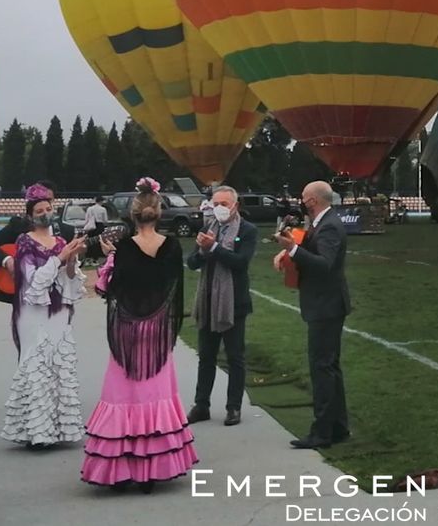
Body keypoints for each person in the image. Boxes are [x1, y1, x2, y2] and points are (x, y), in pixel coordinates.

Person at [82, 179, 198, 491]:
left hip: (128, 330)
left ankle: (120, 467)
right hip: (157, 329)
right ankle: (153, 466)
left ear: (132, 215)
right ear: (159, 213)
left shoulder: (123, 249)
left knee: (123, 394)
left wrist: (109, 260)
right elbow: (172, 284)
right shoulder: (172, 246)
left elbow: (107, 289)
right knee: (154, 393)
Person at [0, 183, 87, 447]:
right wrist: (60, 258)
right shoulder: (25, 242)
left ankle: (58, 428)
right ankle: (34, 431)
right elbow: (32, 280)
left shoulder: (61, 241)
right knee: (36, 365)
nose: (45, 213)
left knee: (57, 365)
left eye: (49, 208)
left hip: (58, 310)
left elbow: (68, 280)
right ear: (30, 215)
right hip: (33, 312)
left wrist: (71, 260)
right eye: (39, 210)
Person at [272, 180, 351, 449]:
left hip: (326, 305)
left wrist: (292, 249)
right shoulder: (320, 223)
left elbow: (324, 264)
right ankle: (338, 427)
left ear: (313, 201)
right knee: (330, 367)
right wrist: (288, 249)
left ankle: (322, 433)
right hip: (324, 303)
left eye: (303, 198)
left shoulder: (329, 226)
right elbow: (310, 249)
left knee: (322, 368)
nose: (300, 202)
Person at [188, 185, 256, 426]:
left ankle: (233, 407)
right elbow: (192, 262)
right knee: (206, 355)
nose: (218, 208)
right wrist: (203, 252)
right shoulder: (208, 227)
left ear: (235, 205)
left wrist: (214, 248)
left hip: (233, 303)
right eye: (215, 203)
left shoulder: (247, 230)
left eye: (224, 204)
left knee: (235, 357)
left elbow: (240, 263)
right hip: (208, 301)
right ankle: (201, 404)